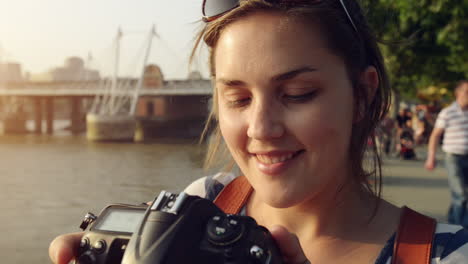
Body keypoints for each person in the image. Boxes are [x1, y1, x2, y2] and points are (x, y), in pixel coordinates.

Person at [49, 1, 468, 263]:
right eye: (237, 99)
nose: (261, 129)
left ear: (362, 95)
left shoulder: (447, 254)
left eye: (299, 94)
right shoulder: (206, 201)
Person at [425, 80, 468, 227]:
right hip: (453, 157)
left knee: (461, 195)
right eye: (466, 92)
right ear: (458, 93)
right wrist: (431, 157)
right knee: (460, 194)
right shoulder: (447, 112)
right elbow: (435, 135)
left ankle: (451, 222)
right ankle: (460, 230)